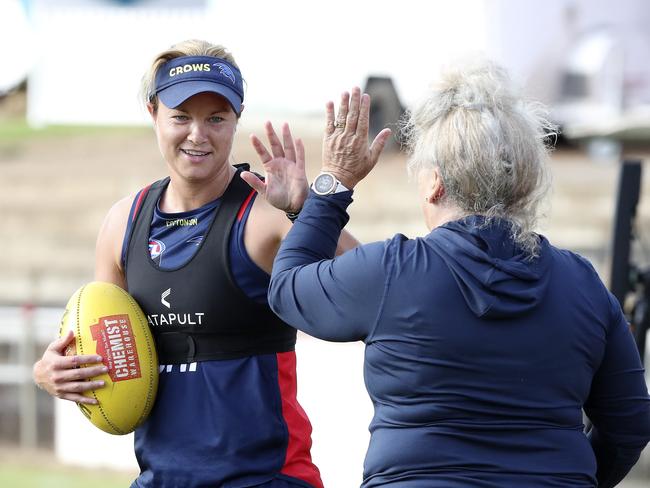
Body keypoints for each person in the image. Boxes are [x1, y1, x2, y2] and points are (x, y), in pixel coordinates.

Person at [265, 61, 650, 487]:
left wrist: (333, 184)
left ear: (435, 184)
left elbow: (288, 288)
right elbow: (630, 423)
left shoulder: (393, 271)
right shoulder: (582, 283)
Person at [32, 38, 357, 488]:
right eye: (181, 117)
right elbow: (98, 353)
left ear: (236, 120)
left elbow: (368, 286)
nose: (197, 134)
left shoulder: (266, 213)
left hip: (265, 479)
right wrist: (52, 373)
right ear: (153, 115)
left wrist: (308, 211)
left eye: (216, 119)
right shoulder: (122, 223)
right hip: (162, 478)